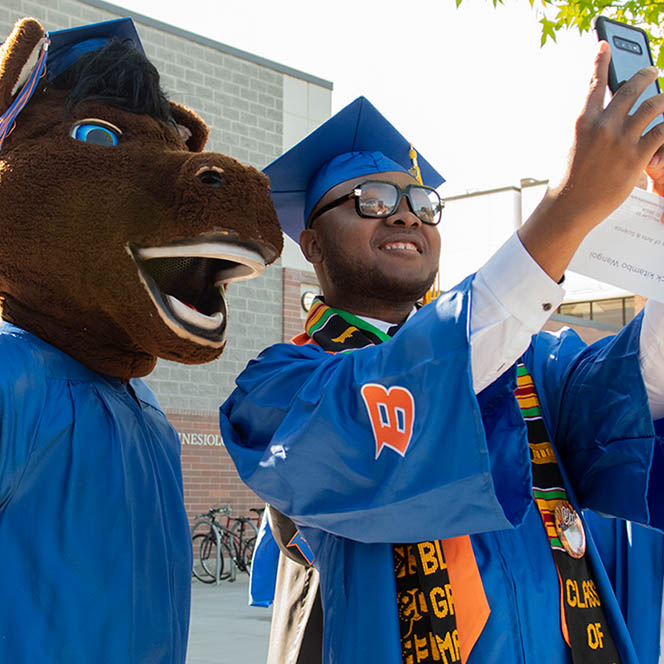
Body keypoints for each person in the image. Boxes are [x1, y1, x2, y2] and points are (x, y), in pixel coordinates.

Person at [220, 43, 664, 664]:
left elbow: (638, 392)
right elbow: (402, 388)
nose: (405, 216)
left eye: (422, 204)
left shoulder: (533, 364)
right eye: (371, 199)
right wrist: (566, 209)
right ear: (313, 243)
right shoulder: (279, 391)